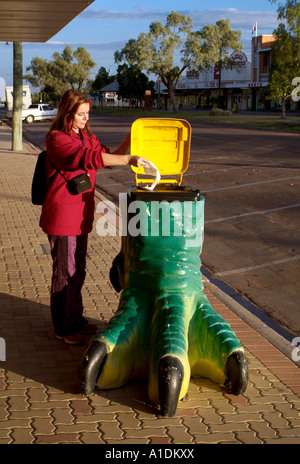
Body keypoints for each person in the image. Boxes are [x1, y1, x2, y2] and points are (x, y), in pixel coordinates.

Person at [40, 89, 148, 345]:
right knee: (65, 273)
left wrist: (128, 143)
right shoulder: (57, 138)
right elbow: (88, 158)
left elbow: (105, 157)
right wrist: (127, 158)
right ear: (68, 113)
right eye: (81, 114)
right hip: (63, 216)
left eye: (88, 113)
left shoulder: (84, 135)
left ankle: (75, 319)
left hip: (80, 216)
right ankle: (65, 329)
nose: (86, 118)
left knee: (78, 271)